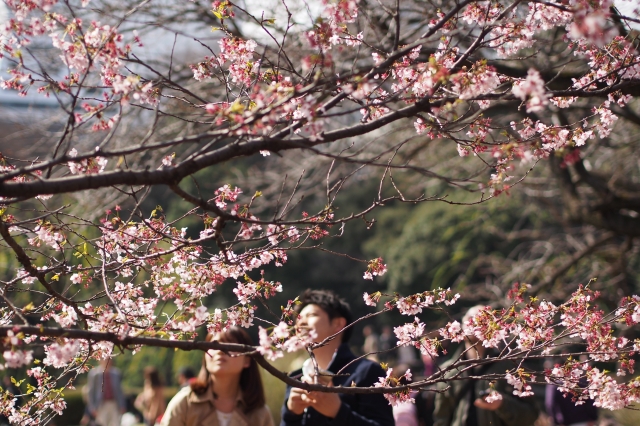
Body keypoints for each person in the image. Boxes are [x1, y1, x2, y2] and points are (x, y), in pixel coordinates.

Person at [280, 289, 395, 426]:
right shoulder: (296, 378)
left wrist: (338, 412)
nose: (301, 323)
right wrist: (291, 414)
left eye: (311, 315)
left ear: (338, 324)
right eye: (298, 318)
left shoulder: (367, 372)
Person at [433, 306, 539, 426]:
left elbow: (530, 416)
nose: (474, 324)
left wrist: (502, 404)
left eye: (481, 319)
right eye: (470, 319)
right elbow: (441, 419)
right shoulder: (448, 371)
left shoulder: (511, 368)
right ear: (461, 326)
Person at [161, 326, 274, 426]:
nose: (220, 351)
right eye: (214, 345)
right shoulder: (185, 403)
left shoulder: (260, 413)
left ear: (247, 360)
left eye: (230, 345)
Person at [86, 359, 127, 426]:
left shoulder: (116, 373)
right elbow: (91, 391)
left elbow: (120, 391)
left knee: (116, 423)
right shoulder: (94, 374)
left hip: (114, 403)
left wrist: (122, 405)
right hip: (101, 404)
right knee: (102, 423)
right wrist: (92, 407)